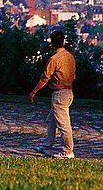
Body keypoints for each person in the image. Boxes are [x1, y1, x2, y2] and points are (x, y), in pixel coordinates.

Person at [29, 30, 75, 159]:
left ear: (52, 43)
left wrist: (34, 91)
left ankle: (68, 151)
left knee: (63, 124)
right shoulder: (70, 57)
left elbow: (45, 77)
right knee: (52, 121)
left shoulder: (54, 59)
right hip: (68, 92)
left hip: (59, 93)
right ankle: (47, 147)